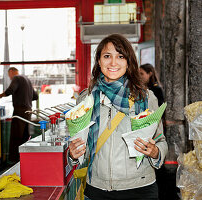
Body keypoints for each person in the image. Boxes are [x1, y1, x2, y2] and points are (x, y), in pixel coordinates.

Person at [68, 34, 168, 200]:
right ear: (99, 61)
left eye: (120, 56)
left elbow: (160, 141)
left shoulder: (146, 98)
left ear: (128, 62)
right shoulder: (86, 99)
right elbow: (80, 147)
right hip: (97, 189)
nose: (113, 63)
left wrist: (155, 152)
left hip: (140, 189)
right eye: (107, 56)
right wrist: (72, 155)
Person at [0, 67, 38, 162]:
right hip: (28, 111)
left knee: (16, 136)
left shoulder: (16, 78)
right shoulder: (27, 79)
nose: (10, 78)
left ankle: (14, 160)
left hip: (19, 111)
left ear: (11, 72)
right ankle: (24, 158)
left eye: (9, 76)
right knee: (25, 136)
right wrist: (25, 97)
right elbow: (35, 96)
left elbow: (10, 90)